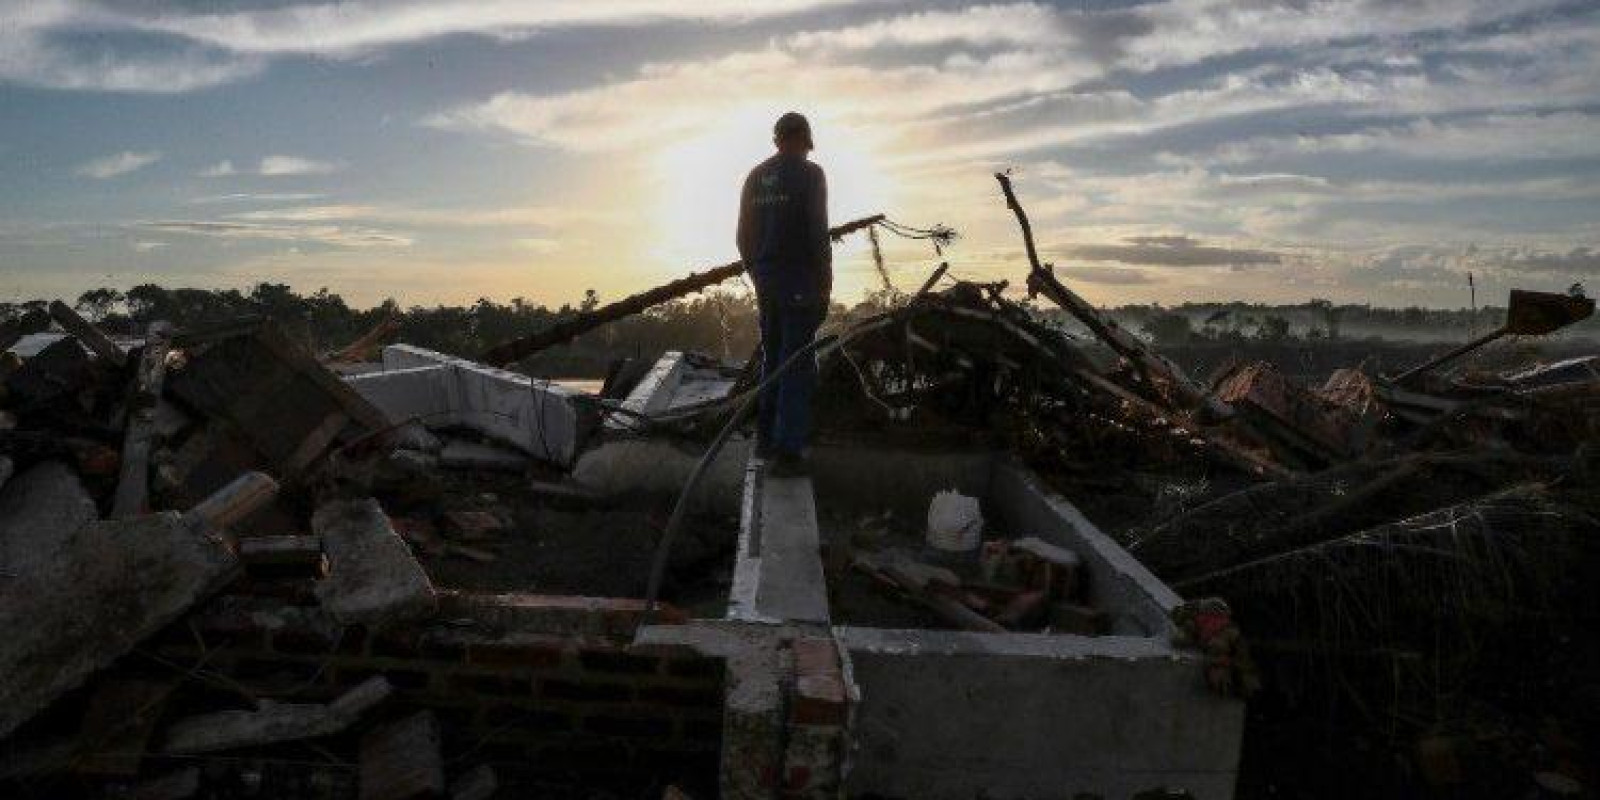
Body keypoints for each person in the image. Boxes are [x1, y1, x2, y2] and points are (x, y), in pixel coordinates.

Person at [737, 111, 831, 476]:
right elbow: (818, 234)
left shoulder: (756, 176)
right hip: (801, 286)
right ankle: (789, 453)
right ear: (805, 141)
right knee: (796, 366)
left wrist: (757, 275)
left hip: (767, 285)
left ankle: (765, 441)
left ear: (778, 140)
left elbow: (743, 238)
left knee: (772, 361)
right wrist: (825, 284)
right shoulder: (811, 174)